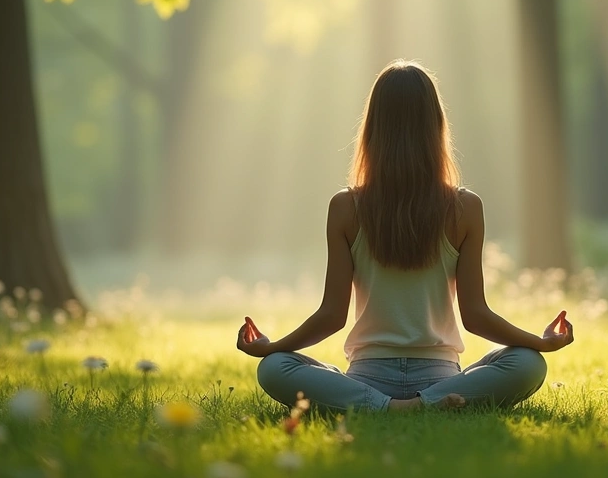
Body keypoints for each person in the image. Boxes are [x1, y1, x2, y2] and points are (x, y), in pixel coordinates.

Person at [236, 61, 575, 412]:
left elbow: (331, 315)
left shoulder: (345, 207)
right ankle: (428, 404)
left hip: (366, 377)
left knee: (275, 369)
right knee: (529, 363)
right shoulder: (464, 207)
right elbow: (474, 315)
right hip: (442, 379)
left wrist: (273, 347)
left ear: (372, 129)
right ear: (437, 127)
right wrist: (539, 343)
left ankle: (378, 406)